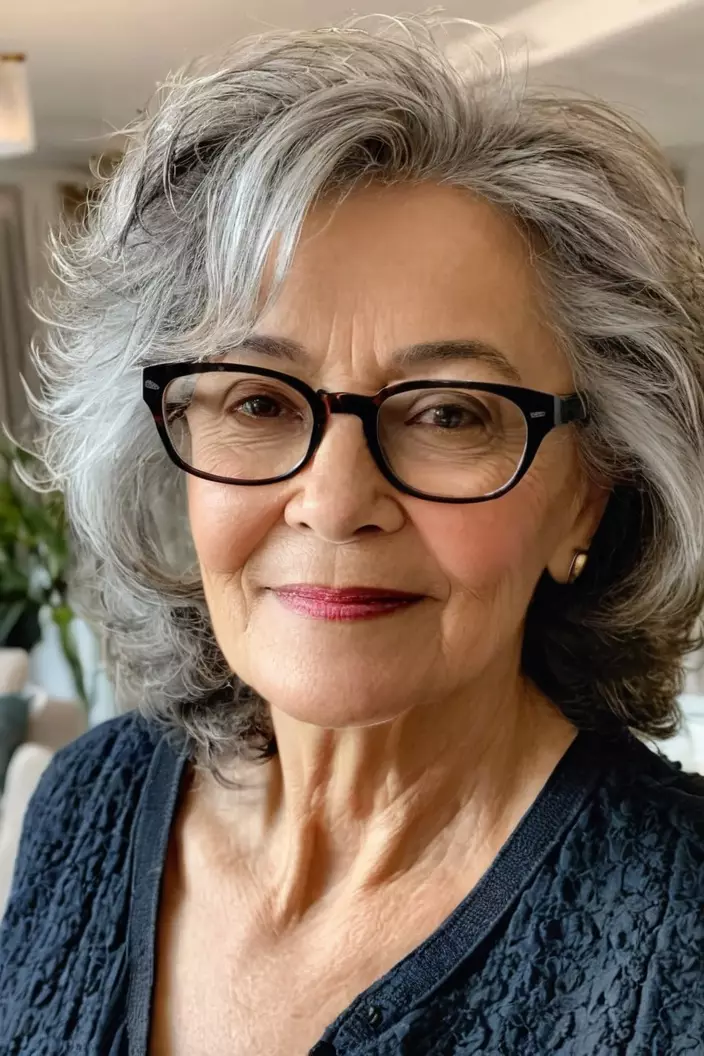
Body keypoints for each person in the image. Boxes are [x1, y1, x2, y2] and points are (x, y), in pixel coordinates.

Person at [1, 17, 703, 1056]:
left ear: (587, 497)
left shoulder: (675, 933)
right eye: (254, 402)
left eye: (450, 412)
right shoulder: (92, 798)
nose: (333, 503)